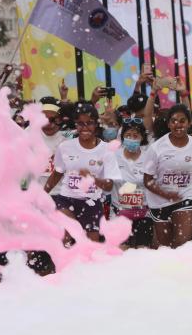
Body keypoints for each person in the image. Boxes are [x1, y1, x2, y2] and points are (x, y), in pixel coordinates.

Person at [143, 105, 192, 248]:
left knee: (182, 244)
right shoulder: (156, 148)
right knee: (165, 248)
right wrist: (166, 194)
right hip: (159, 202)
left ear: (189, 123)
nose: (178, 125)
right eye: (174, 121)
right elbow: (147, 180)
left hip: (186, 196)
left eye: (182, 121)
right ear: (168, 124)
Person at [43, 102, 122, 241]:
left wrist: (94, 180)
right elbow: (57, 174)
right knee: (69, 232)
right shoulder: (65, 147)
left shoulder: (107, 150)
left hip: (92, 202)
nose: (85, 127)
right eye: (80, 123)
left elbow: (109, 186)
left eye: (89, 123)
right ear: (75, 124)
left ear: (96, 124)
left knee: (90, 246)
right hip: (66, 199)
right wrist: (41, 195)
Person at [113, 119, 153, 248]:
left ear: (142, 138)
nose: (131, 139)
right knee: (121, 251)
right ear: (122, 137)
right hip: (119, 212)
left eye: (135, 136)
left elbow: (153, 183)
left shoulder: (149, 157)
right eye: (128, 135)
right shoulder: (113, 156)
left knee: (142, 250)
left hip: (144, 212)